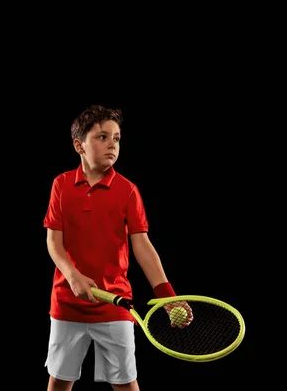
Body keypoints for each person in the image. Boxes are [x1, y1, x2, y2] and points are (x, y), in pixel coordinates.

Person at [43, 105, 190, 391]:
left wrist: (168, 298)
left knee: (126, 385)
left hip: (116, 306)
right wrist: (73, 276)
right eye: (101, 137)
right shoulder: (61, 184)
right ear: (79, 146)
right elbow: (53, 241)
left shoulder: (128, 190)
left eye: (117, 138)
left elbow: (142, 246)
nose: (112, 144)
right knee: (59, 382)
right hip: (66, 305)